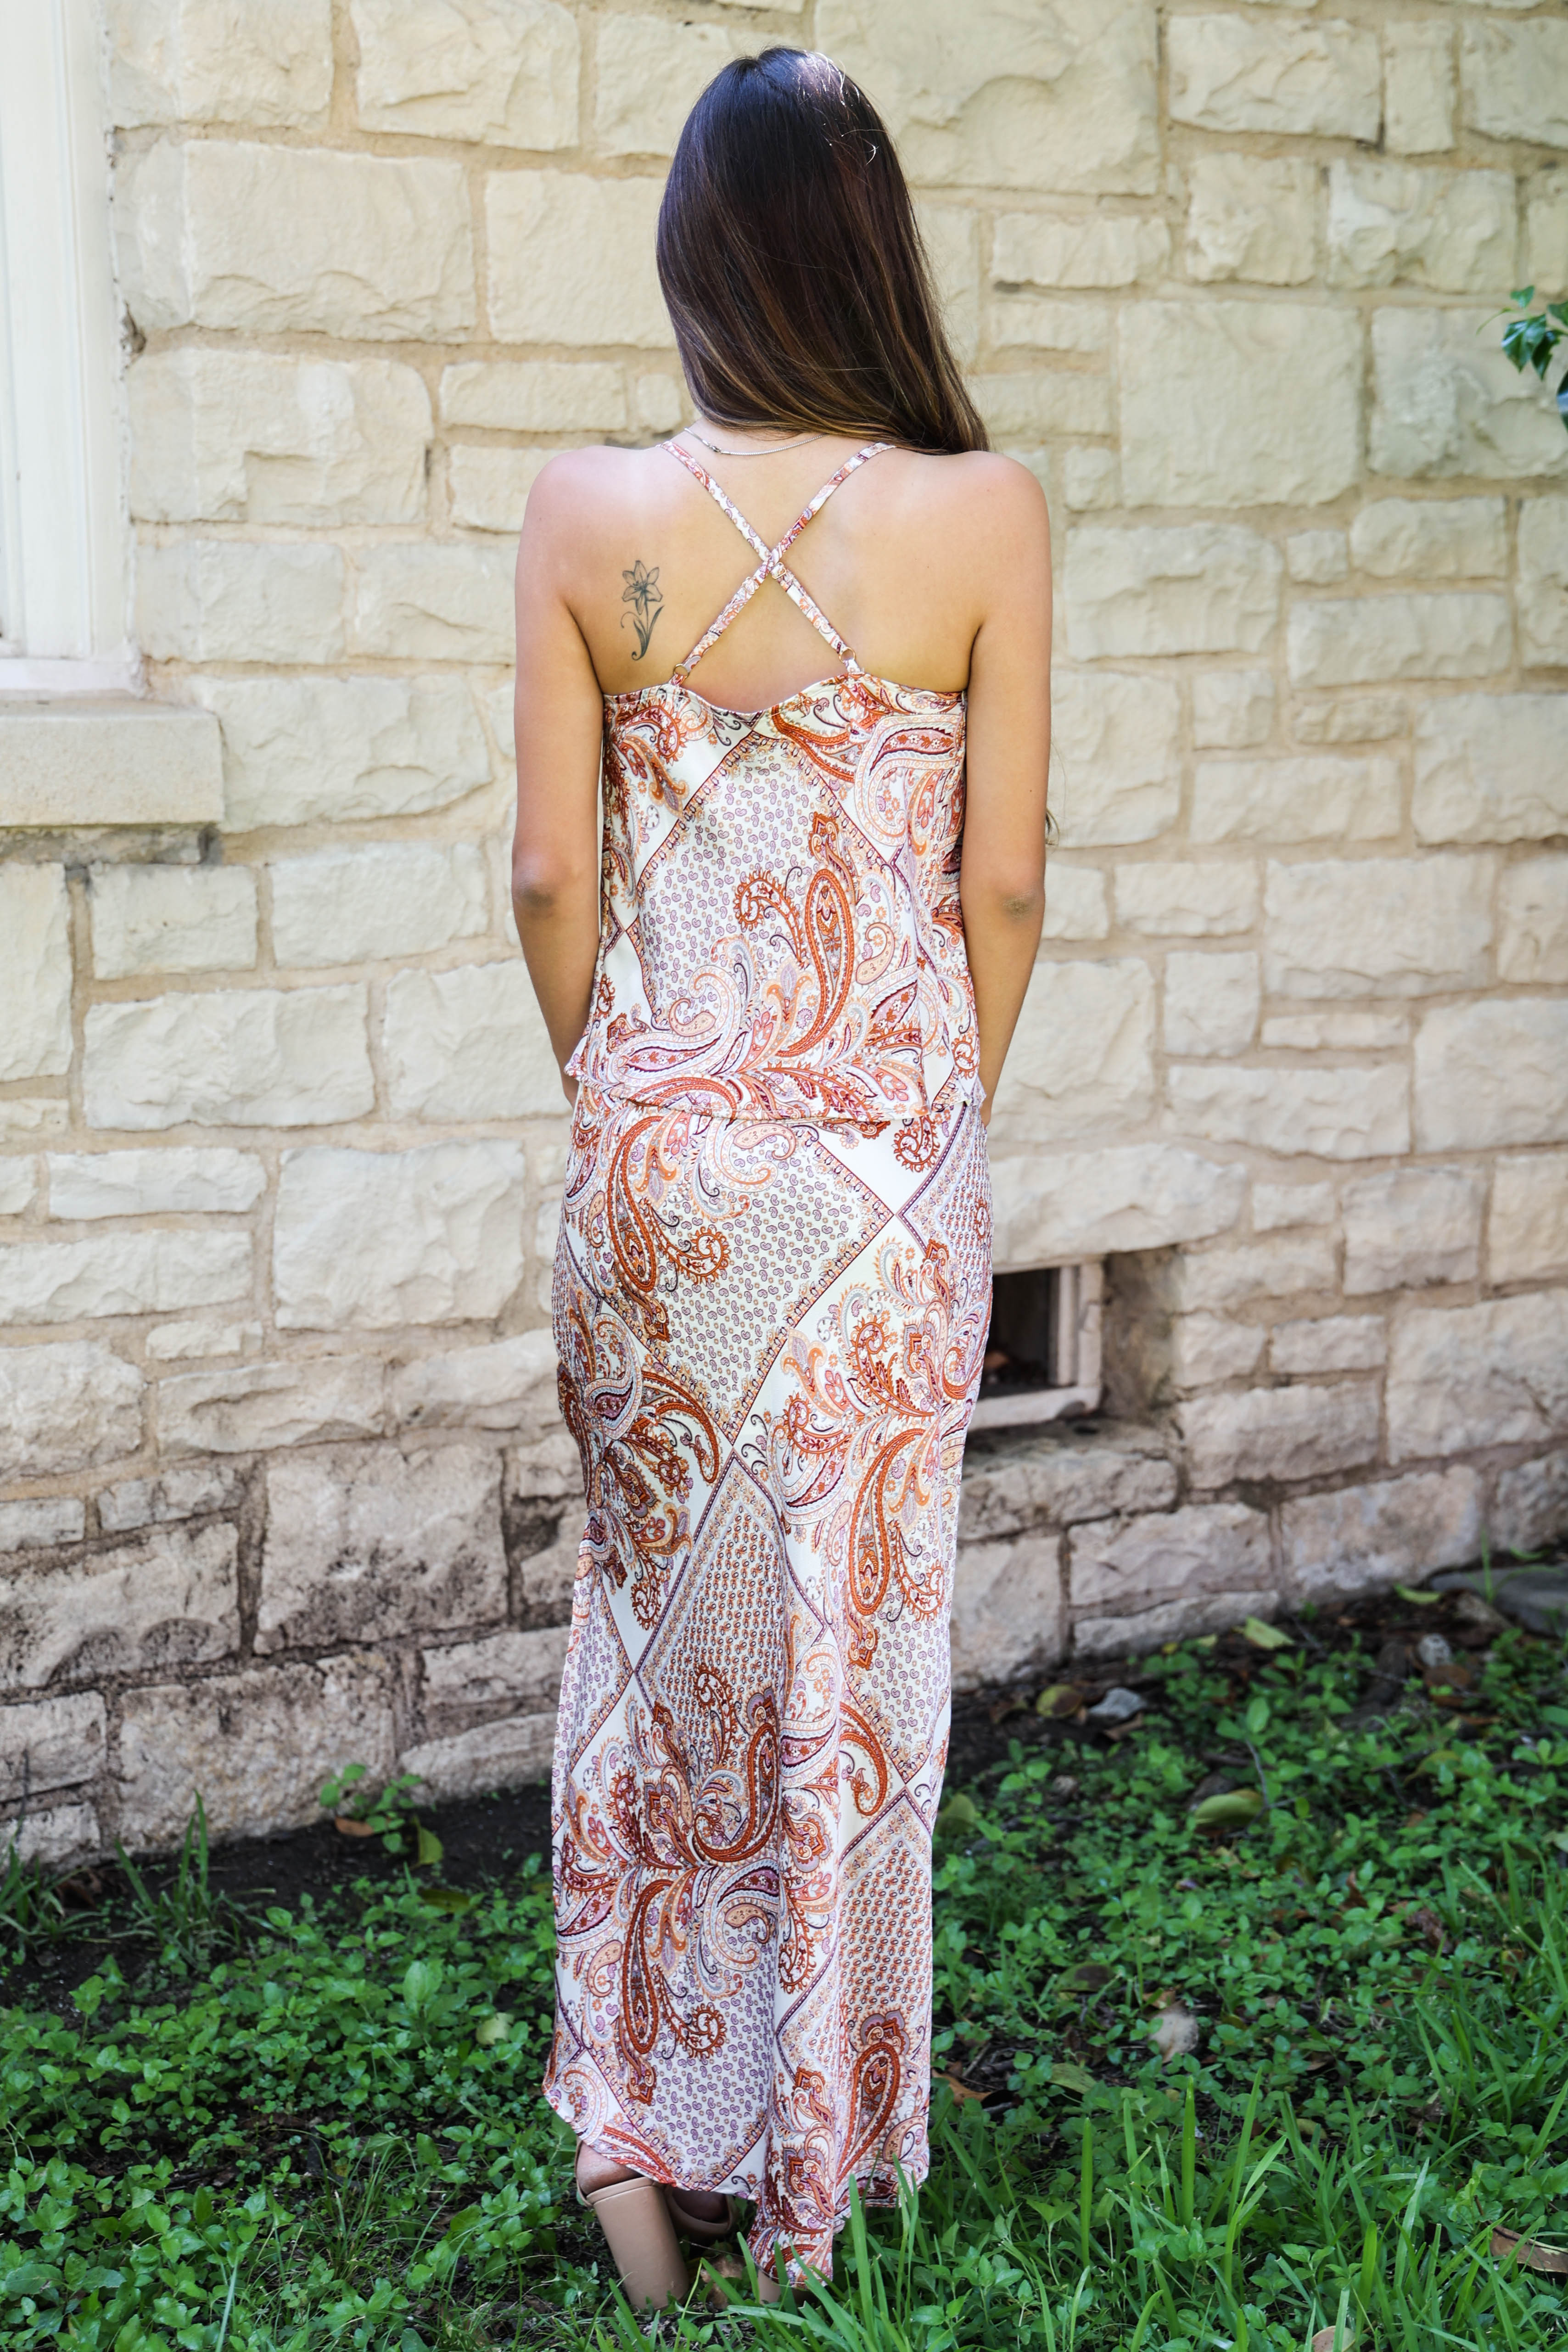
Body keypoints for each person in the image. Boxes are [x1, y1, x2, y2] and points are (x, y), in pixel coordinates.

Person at [510, 44, 1051, 2310]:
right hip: (877, 1181)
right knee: (843, 1679)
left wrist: (623, 1094)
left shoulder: (579, 516)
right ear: (872, 247)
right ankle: (811, 2177)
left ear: (692, 257)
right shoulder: (986, 514)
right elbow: (997, 890)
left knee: (651, 1660)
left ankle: (632, 2144)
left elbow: (550, 869)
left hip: (649, 1167)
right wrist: (928, 1129)